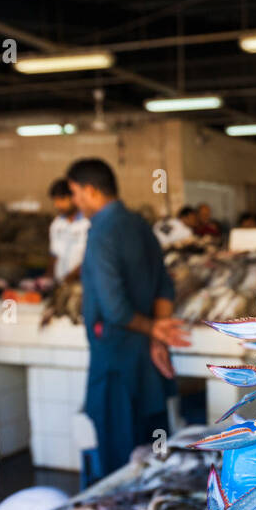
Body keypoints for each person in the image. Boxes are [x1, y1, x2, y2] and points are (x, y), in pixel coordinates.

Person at [66, 158, 190, 483]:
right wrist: (157, 337)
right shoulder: (139, 224)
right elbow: (165, 284)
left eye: (76, 193)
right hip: (149, 364)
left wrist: (154, 330)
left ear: (90, 191)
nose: (75, 202)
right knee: (154, 458)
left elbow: (115, 310)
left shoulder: (101, 233)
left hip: (116, 364)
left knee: (119, 467)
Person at [47, 178, 89, 284]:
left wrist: (71, 277)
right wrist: (47, 280)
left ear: (74, 198)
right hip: (61, 285)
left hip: (82, 285)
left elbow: (91, 259)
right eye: (55, 201)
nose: (58, 205)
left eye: (61, 200)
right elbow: (54, 255)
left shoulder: (88, 223)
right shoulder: (56, 225)